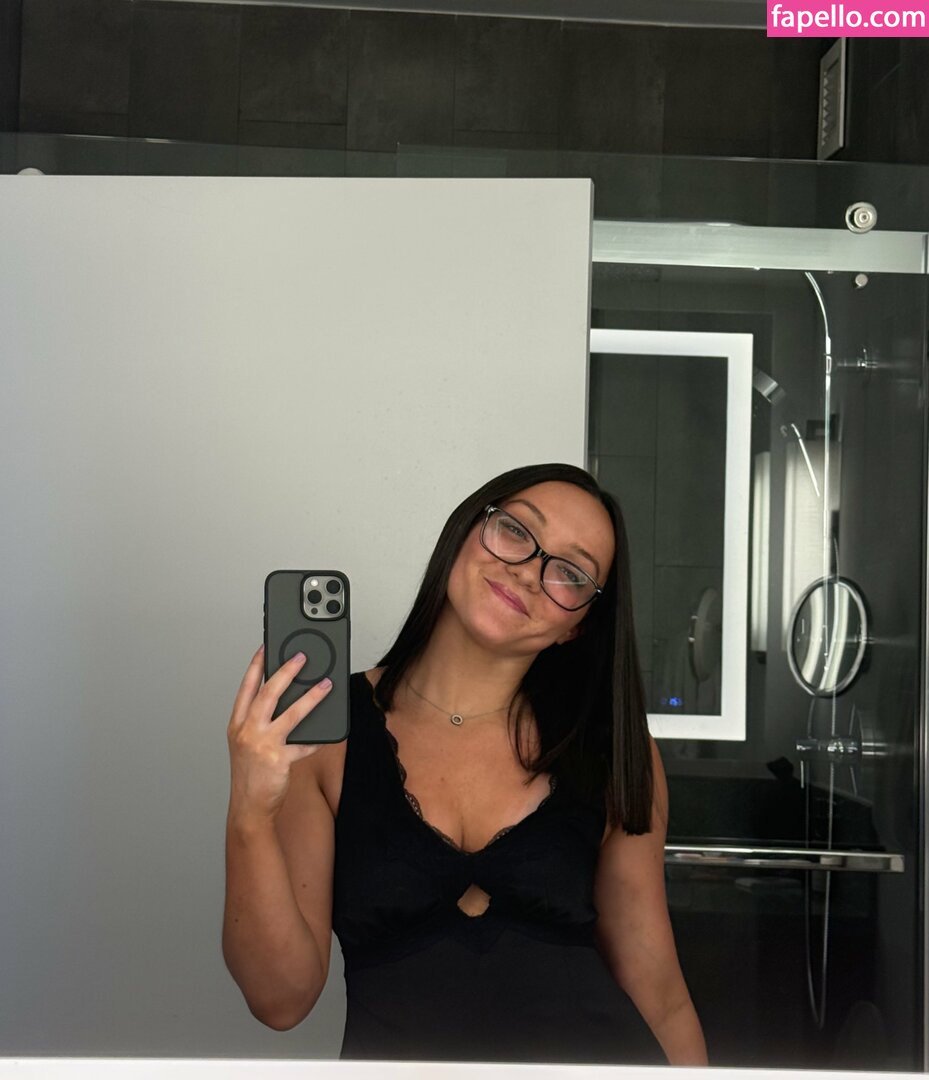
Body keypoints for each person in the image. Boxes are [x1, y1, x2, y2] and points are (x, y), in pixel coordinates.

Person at [223, 462, 707, 1065]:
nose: (528, 571)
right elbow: (280, 999)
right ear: (464, 533)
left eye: (570, 572)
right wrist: (249, 812)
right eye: (516, 531)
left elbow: (660, 994)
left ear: (578, 626)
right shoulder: (323, 733)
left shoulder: (614, 751)